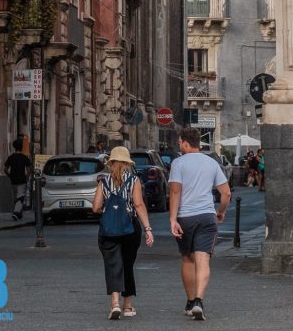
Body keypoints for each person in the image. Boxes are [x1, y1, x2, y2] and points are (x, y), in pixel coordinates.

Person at [168, 127, 231, 322]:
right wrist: (220, 212)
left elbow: (175, 191)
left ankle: (189, 302)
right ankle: (199, 301)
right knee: (203, 260)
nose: (180, 145)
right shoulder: (211, 163)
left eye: (180, 142)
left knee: (187, 259)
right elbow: (226, 193)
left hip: (186, 217)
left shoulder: (178, 163)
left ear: (186, 143)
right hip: (206, 216)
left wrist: (173, 219)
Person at [91, 145, 154, 320]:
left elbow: (95, 207)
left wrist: (109, 207)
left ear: (110, 163)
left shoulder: (103, 181)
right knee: (127, 264)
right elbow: (139, 205)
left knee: (112, 265)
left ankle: (115, 304)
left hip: (108, 229)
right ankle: (127, 305)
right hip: (130, 228)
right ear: (127, 163)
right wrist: (148, 229)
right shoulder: (133, 180)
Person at [3, 138, 33, 220]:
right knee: (20, 197)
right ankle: (16, 212)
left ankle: (19, 214)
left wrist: (10, 176)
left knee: (16, 197)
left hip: (13, 181)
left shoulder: (11, 157)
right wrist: (27, 177)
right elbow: (29, 168)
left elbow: (5, 169)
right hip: (22, 180)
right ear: (21, 147)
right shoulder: (24, 158)